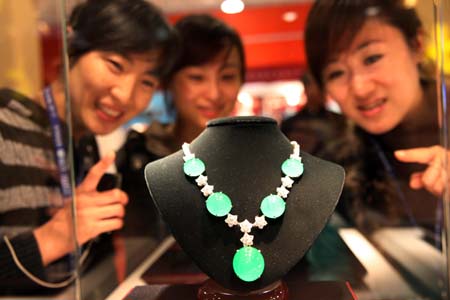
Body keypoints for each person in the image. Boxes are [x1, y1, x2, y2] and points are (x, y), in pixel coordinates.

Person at [0, 0, 177, 291]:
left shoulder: (84, 143)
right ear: (71, 49)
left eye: (146, 82)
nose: (124, 95)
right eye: (116, 65)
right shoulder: (5, 125)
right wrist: (51, 239)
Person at [304, 0, 447, 232]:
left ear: (417, 45)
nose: (360, 89)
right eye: (337, 73)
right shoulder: (339, 162)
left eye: (372, 58)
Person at [118, 14, 245, 229]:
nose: (214, 94)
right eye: (196, 77)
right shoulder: (140, 157)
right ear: (168, 81)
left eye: (227, 77)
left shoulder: (255, 155)